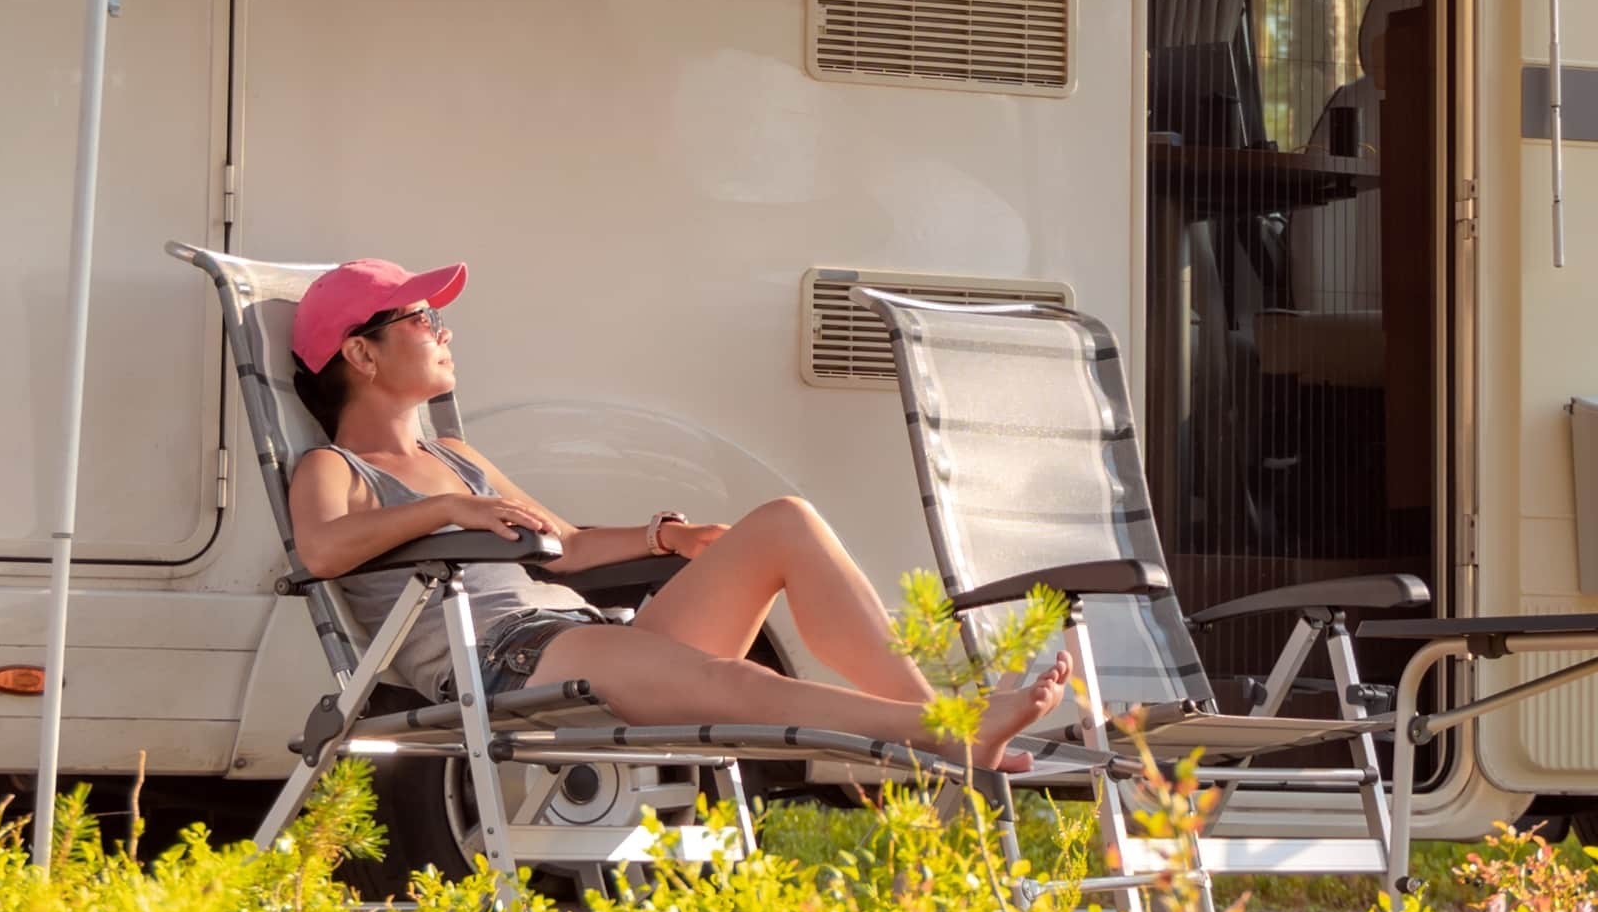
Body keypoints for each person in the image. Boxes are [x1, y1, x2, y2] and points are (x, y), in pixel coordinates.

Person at [283, 257, 1060, 769]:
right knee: (734, 684)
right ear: (360, 353)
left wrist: (665, 536)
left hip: (583, 639)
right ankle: (947, 735)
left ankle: (940, 722)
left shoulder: (458, 456)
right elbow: (321, 550)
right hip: (510, 660)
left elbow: (568, 544)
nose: (443, 331)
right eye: (420, 320)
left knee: (785, 520)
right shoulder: (336, 469)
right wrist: (444, 511)